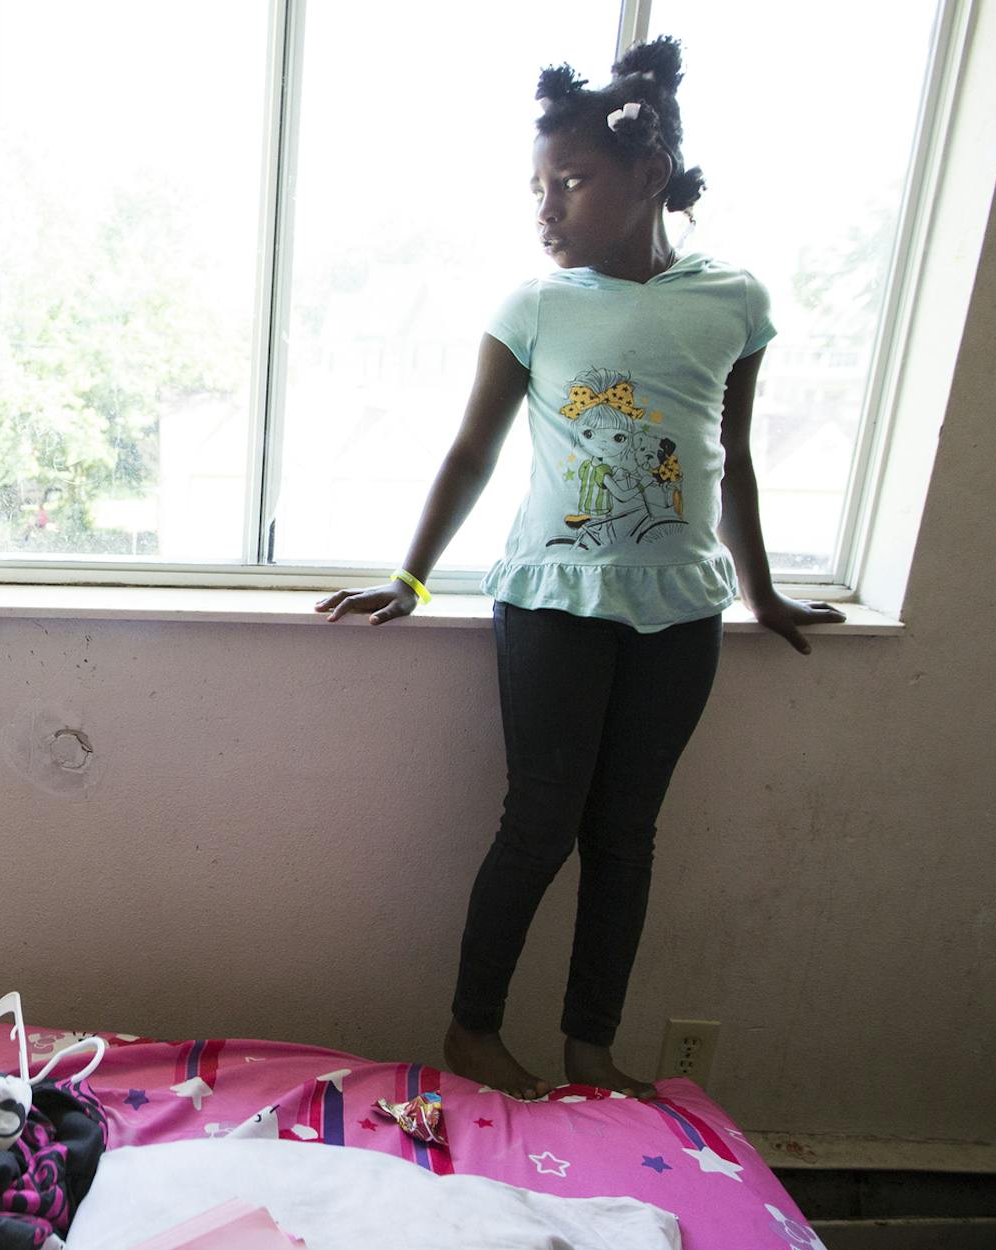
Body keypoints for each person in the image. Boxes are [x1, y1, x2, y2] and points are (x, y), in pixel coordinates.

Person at [316, 37, 842, 1099]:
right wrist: (412, 579)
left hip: (680, 611)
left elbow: (730, 456)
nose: (547, 208)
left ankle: (589, 1046)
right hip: (554, 599)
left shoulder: (731, 302)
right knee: (541, 818)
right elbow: (471, 451)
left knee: (626, 833)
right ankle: (473, 1028)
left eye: (571, 183)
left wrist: (764, 587)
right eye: (537, 188)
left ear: (648, 176)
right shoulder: (538, 306)